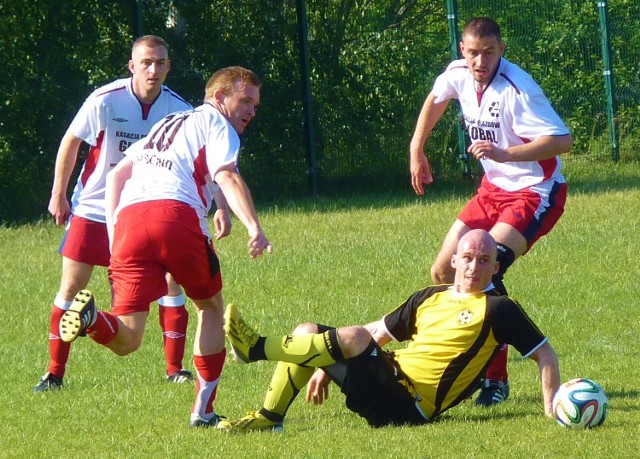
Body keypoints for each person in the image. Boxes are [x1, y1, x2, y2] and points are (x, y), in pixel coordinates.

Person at [58, 66, 272, 428]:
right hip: (174, 215)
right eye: (245, 100)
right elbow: (227, 175)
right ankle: (203, 412)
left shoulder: (168, 123)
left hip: (129, 222)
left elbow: (117, 175)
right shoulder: (217, 125)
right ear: (219, 97)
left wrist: (114, 235)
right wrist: (254, 226)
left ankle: (92, 319)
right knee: (211, 307)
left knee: (127, 338)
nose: (251, 110)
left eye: (255, 104)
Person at [217, 229, 560, 433]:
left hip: (410, 406)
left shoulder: (499, 308)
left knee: (352, 338)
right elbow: (378, 332)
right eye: (468, 258)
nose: (474, 266)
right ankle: (268, 417)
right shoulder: (431, 296)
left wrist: (550, 410)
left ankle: (255, 348)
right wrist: (321, 355)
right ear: (453, 260)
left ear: (496, 267)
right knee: (307, 331)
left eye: (484, 260)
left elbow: (544, 352)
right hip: (385, 381)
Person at [408, 17, 572, 406]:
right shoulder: (458, 74)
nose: (479, 61)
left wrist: (504, 153)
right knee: (444, 271)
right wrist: (417, 148)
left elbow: (562, 140)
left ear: (502, 50)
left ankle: (495, 379)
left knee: (483, 270)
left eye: (488, 52)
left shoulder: (519, 88)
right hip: (492, 190)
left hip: (534, 192)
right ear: (462, 50)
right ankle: (470, 359)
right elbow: (436, 98)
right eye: (472, 52)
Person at [34, 35, 197, 393]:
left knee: (171, 280)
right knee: (72, 285)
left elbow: (191, 161)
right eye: (146, 62)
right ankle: (54, 373)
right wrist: (58, 194)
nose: (153, 69)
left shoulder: (179, 111)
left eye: (160, 63)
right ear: (132, 65)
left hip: (144, 210)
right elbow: (71, 141)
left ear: (169, 66)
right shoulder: (105, 100)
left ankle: (175, 369)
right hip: (93, 207)